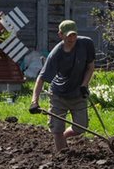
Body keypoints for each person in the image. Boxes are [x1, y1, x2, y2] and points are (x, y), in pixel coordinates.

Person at [29, 20, 96, 151]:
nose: (72, 39)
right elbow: (41, 78)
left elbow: (90, 66)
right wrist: (34, 102)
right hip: (58, 95)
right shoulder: (56, 54)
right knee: (57, 128)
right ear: (60, 35)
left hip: (78, 94)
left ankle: (65, 137)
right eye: (68, 36)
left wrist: (84, 85)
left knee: (81, 127)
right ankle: (61, 159)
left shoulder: (86, 44)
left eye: (74, 35)